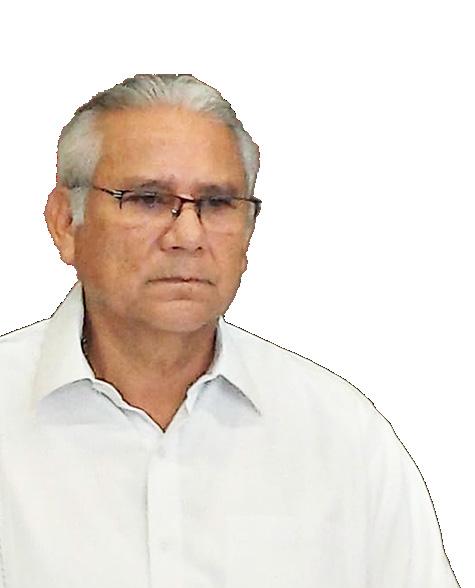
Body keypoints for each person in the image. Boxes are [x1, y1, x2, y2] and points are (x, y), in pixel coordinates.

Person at [0, 74, 459, 588]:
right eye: (148, 199)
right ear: (66, 222)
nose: (187, 235)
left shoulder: (340, 436)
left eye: (217, 204)